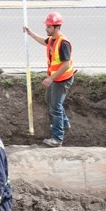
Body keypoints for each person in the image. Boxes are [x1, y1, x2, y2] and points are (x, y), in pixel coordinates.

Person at [24, 11, 75, 147]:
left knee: (55, 108)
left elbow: (66, 64)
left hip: (62, 79)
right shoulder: (52, 40)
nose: (46, 29)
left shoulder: (63, 43)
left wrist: (51, 78)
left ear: (57, 27)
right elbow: (43, 41)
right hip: (56, 78)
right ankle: (64, 123)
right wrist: (30, 33)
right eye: (46, 26)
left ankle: (57, 139)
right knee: (50, 101)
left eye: (49, 27)